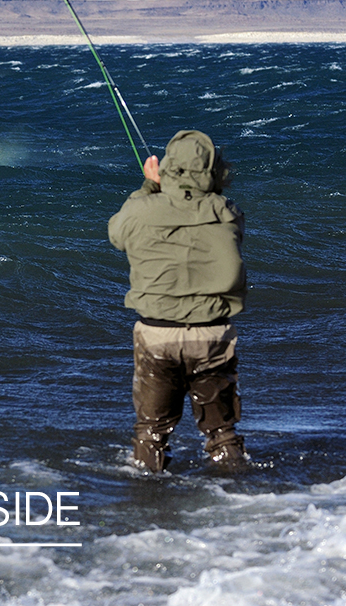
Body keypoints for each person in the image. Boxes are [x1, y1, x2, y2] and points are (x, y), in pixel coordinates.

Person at [108, 130, 248, 472]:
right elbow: (212, 209)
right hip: (212, 337)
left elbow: (117, 234)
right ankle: (237, 489)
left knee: (152, 432)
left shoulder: (140, 211)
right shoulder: (227, 211)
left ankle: (147, 497)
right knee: (221, 431)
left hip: (158, 336)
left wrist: (149, 186)